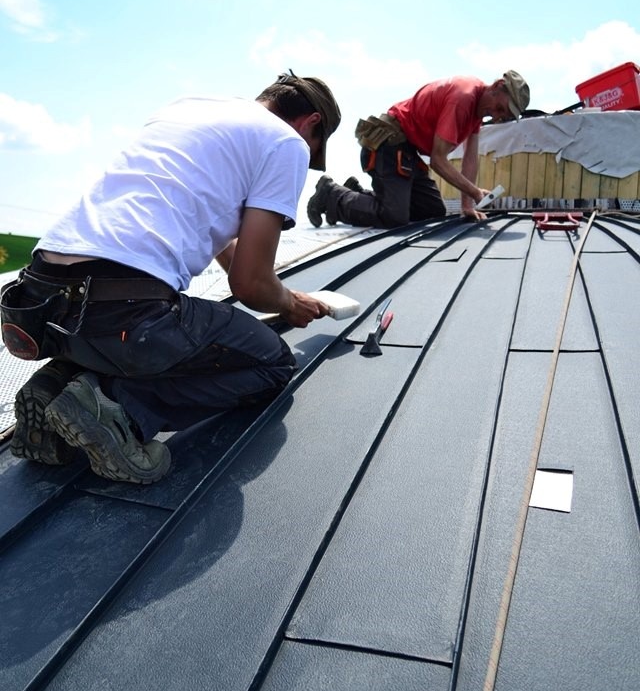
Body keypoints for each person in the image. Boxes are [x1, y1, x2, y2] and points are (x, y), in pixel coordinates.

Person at [0, 72, 341, 485]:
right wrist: (288, 302)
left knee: (118, 331)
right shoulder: (288, 144)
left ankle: (53, 387)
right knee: (272, 363)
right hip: (123, 310)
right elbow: (251, 285)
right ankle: (121, 410)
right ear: (311, 123)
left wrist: (262, 280)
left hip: (37, 300)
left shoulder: (189, 108)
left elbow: (207, 225)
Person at [307, 70, 529, 229]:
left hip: (408, 150)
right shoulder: (463, 98)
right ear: (497, 85)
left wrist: (467, 205)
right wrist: (475, 192)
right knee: (395, 218)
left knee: (432, 211)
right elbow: (438, 161)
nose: (497, 115)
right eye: (501, 108)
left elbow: (471, 158)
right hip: (389, 144)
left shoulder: (477, 110)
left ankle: (358, 195)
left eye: (504, 116)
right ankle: (332, 195)